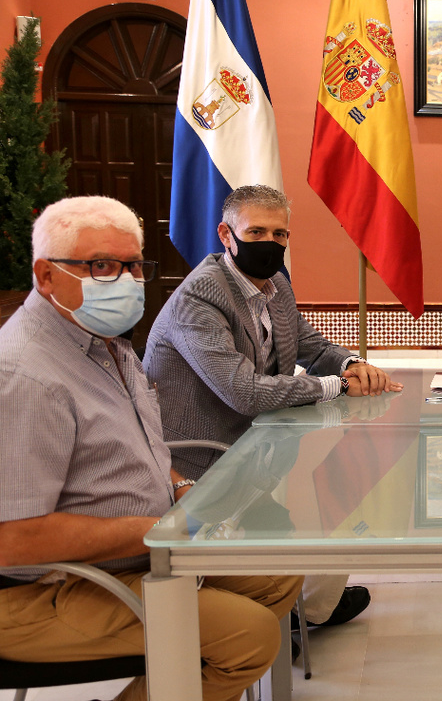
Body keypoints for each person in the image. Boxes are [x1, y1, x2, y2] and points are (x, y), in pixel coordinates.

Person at [0, 196, 303, 701]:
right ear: (46, 276)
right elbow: (14, 540)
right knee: (248, 636)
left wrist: (182, 491)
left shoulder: (104, 341)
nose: (125, 280)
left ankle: (177, 678)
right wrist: (159, 532)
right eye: (101, 265)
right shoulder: (25, 375)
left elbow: (142, 450)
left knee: (278, 573)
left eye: (133, 265)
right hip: (43, 591)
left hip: (141, 555)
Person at [144, 184, 400, 629]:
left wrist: (353, 363)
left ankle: (302, 610)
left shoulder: (275, 283)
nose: (270, 243)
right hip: (198, 466)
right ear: (226, 235)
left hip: (257, 452)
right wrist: (337, 385)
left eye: (280, 234)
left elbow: (307, 345)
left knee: (331, 518)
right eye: (256, 231)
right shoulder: (199, 298)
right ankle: (291, 614)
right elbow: (245, 392)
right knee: (312, 526)